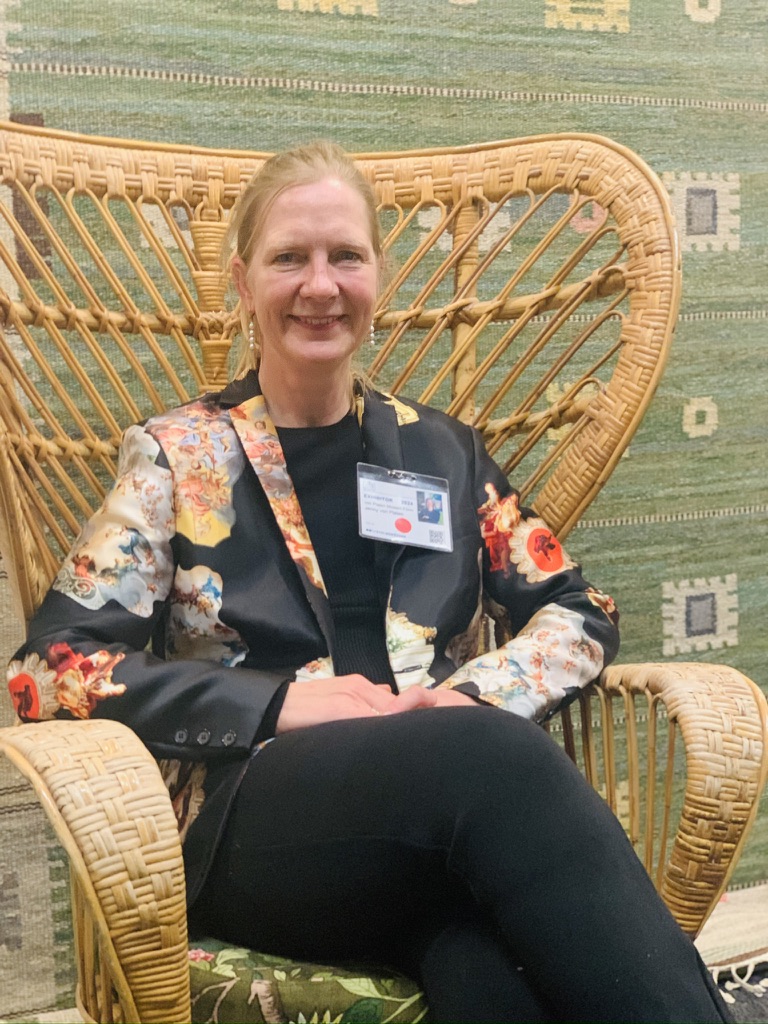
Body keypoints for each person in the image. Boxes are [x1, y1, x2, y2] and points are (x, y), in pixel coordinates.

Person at [7, 141, 730, 1023]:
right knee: (495, 764)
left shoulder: (442, 452)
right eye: (290, 258)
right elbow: (49, 668)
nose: (320, 285)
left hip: (434, 821)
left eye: (345, 256)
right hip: (253, 821)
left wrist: (465, 699)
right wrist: (278, 706)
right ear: (243, 282)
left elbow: (578, 610)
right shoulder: (178, 457)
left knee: (488, 976)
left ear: (377, 276)